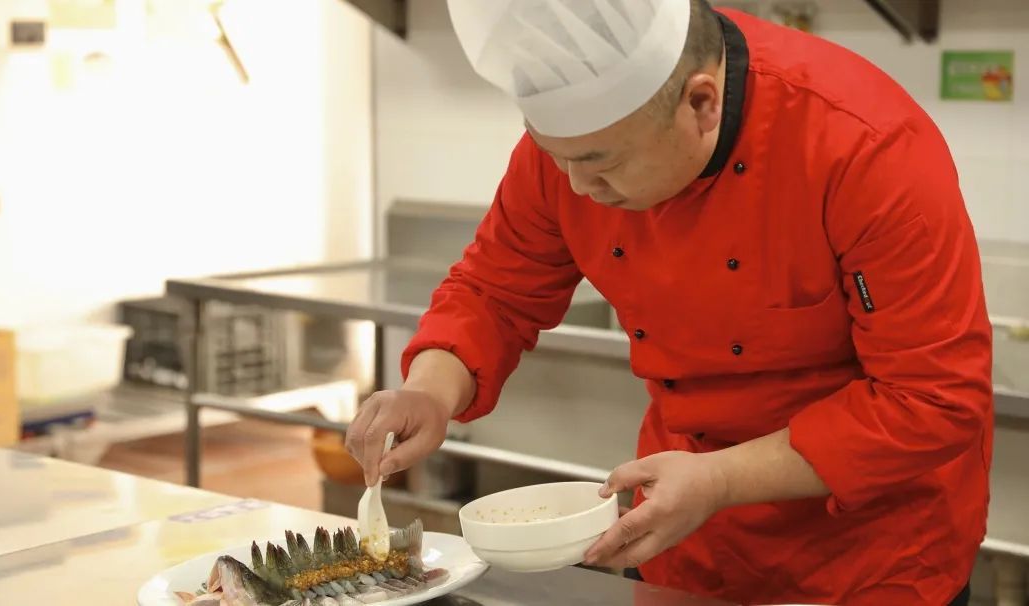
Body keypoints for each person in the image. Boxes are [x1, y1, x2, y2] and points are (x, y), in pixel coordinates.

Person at [344, 1, 993, 604]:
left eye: (602, 164)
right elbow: (493, 289)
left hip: (874, 549)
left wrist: (721, 479)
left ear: (701, 104)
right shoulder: (575, 150)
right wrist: (429, 390)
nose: (577, 187)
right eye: (556, 156)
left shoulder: (863, 145)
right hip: (688, 528)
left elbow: (931, 398)